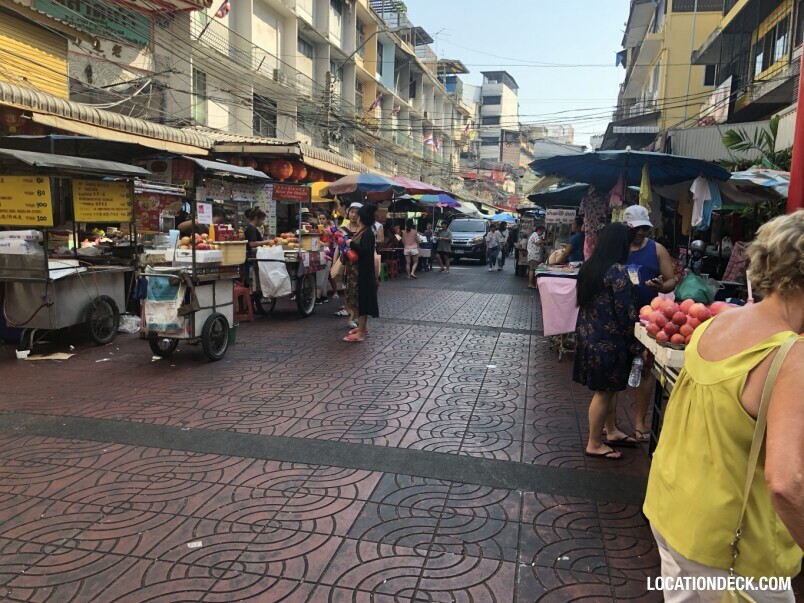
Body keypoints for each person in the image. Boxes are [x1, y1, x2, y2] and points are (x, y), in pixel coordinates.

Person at [644, 211, 804, 602]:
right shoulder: (790, 357)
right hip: (732, 548)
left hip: (672, 513)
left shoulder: (716, 323)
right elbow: (785, 484)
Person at [573, 222, 642, 460]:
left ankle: (611, 431)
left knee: (611, 388)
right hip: (610, 341)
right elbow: (625, 312)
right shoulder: (618, 271)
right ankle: (594, 442)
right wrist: (636, 344)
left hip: (590, 336)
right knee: (604, 392)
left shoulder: (590, 267)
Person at [621, 204, 678, 442]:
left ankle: (639, 422)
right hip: (618, 317)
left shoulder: (657, 249)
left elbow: (671, 280)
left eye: (644, 228)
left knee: (645, 370)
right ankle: (607, 423)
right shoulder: (616, 248)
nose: (641, 232)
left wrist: (660, 286)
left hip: (647, 320)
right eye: (636, 228)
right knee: (615, 370)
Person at [343, 204, 380, 342]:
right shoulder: (364, 231)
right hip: (359, 272)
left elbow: (364, 251)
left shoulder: (368, 233)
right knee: (360, 301)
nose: (355, 218)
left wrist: (351, 244)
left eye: (357, 215)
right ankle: (362, 328)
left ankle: (361, 334)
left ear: (361, 218)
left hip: (364, 273)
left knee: (363, 302)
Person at [336, 202, 362, 325]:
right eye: (352, 212)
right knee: (349, 290)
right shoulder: (343, 229)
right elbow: (338, 247)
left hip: (361, 264)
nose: (354, 215)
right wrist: (335, 264)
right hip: (348, 265)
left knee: (359, 291)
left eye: (357, 213)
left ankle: (356, 316)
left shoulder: (363, 229)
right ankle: (352, 317)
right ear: (348, 214)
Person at [241, 207, 268, 286]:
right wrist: (267, 242)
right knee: (253, 282)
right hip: (251, 259)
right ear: (256, 218)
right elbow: (251, 244)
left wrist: (266, 233)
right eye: (262, 219)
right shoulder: (251, 229)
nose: (263, 222)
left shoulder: (254, 228)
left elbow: (260, 241)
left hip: (255, 257)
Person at [527, 225, 546, 289]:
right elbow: (538, 242)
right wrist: (546, 241)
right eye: (542, 231)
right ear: (539, 230)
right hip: (534, 255)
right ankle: (530, 284)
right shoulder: (535, 234)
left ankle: (532, 283)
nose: (543, 233)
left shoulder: (536, 235)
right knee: (532, 269)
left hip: (534, 255)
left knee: (532, 269)